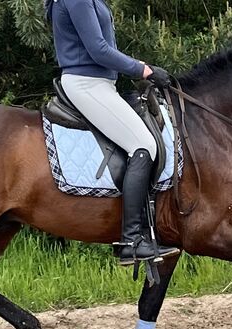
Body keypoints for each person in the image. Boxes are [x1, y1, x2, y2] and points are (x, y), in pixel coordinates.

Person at [46, 0, 180, 265]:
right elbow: (98, 50)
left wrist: (138, 65)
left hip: (101, 83)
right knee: (144, 146)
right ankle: (132, 240)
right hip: (87, 85)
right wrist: (145, 70)